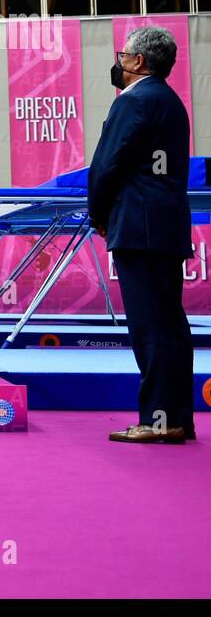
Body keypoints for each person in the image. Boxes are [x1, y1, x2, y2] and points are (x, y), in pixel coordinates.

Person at [90, 26, 196, 444]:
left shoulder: (132, 102)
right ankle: (177, 417)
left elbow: (105, 166)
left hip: (138, 225)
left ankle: (157, 419)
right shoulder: (172, 103)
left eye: (123, 55)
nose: (118, 62)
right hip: (167, 224)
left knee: (150, 328)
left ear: (139, 62)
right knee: (171, 325)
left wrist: (98, 214)